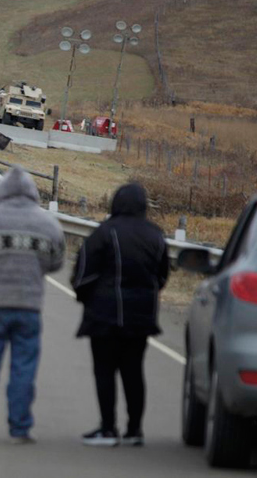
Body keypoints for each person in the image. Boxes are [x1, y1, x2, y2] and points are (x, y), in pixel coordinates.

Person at [0, 167, 65, 444]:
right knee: (24, 368)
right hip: (29, 305)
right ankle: (20, 428)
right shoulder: (47, 223)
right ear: (32, 192)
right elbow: (56, 261)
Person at [72, 183, 169, 447]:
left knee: (104, 371)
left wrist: (86, 299)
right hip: (141, 318)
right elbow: (161, 276)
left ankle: (107, 428)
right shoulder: (156, 235)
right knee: (134, 371)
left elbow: (82, 276)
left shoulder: (104, 233)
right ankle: (135, 429)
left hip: (104, 315)